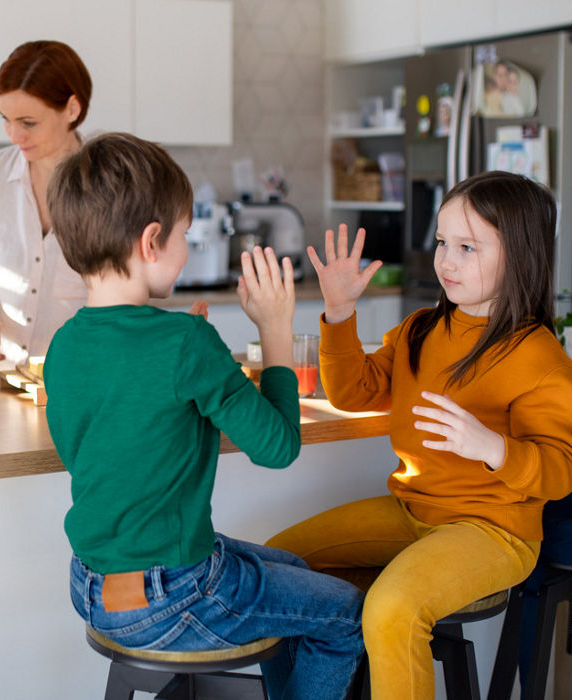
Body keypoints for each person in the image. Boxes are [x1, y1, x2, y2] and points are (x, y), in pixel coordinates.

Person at [43, 133, 364, 700]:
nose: (188, 249)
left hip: (91, 585)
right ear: (150, 241)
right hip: (173, 594)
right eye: (185, 234)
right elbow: (278, 447)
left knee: (294, 566)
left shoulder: (65, 345)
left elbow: (110, 442)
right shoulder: (184, 342)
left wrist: (191, 356)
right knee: (345, 614)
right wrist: (274, 331)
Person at [265, 170, 572, 699]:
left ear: (521, 255)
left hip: (495, 531)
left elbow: (561, 473)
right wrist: (340, 312)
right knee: (275, 566)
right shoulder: (420, 330)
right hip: (411, 512)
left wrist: (492, 448)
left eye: (467, 246)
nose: (446, 260)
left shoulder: (542, 361)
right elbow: (352, 393)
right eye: (442, 242)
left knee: (393, 606)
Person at [0, 40, 92, 368]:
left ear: (72, 109)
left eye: (28, 123)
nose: (14, 136)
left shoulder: (109, 184)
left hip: (81, 377)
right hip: (1, 370)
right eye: (6, 119)